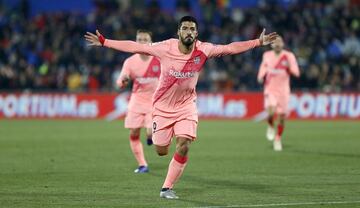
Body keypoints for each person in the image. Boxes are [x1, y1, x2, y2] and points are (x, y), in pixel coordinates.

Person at [85, 15, 278, 199]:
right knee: (161, 151)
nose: (188, 31)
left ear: (197, 33)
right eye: (185, 28)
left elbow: (230, 48)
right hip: (161, 106)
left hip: (186, 106)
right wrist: (105, 41)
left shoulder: (204, 49)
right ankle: (160, 145)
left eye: (192, 29)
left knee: (184, 145)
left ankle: (166, 188)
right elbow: (135, 46)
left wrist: (257, 42)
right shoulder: (164, 47)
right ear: (178, 32)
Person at [116, 29, 161, 173]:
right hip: (136, 102)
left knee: (149, 132)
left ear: (150, 42)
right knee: (134, 133)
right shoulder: (130, 62)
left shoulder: (159, 59)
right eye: (139, 39)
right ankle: (143, 165)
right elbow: (120, 80)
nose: (142, 42)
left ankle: (151, 137)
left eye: (145, 39)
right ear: (136, 41)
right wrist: (123, 81)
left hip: (154, 102)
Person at [257, 36, 300, 151]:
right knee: (271, 112)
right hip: (270, 89)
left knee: (281, 118)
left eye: (279, 41)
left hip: (284, 91)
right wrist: (260, 76)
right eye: (275, 42)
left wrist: (289, 68)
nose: (277, 44)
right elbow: (263, 67)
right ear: (271, 44)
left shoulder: (288, 56)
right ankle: (271, 125)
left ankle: (277, 139)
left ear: (283, 44)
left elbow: (296, 72)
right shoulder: (267, 55)